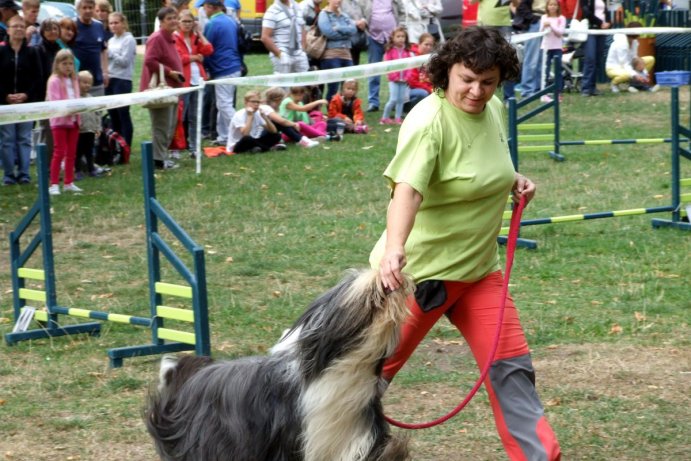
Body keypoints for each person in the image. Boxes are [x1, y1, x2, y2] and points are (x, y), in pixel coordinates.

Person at [369, 27, 561, 461]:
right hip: (419, 276)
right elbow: (408, 189)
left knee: (512, 371)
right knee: (363, 380)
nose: (477, 91)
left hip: (478, 275)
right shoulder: (428, 121)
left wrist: (512, 180)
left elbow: (479, 164)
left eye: (488, 81)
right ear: (446, 73)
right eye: (467, 79)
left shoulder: (491, 108)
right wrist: (395, 248)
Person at [0, 15, 43, 186]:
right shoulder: (1, 52)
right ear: (8, 30)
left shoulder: (33, 52)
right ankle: (9, 174)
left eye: (21, 26)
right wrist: (5, 96)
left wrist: (26, 95)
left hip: (27, 103)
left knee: (25, 138)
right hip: (5, 103)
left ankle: (24, 173)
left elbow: (38, 78)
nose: (18, 29)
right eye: (15, 26)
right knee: (7, 138)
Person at [140, 6, 184, 170]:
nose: (174, 21)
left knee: (170, 125)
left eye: (175, 17)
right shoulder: (157, 38)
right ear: (161, 22)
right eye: (169, 18)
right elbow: (149, 61)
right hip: (160, 90)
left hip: (171, 88)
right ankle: (158, 160)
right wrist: (169, 72)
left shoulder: (170, 37)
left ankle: (162, 156)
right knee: (161, 125)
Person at [203, 0, 243, 147]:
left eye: (205, 7)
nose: (203, 10)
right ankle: (224, 136)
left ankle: (245, 132)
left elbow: (206, 47)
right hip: (234, 66)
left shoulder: (212, 24)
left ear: (212, 8)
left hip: (222, 68)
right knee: (222, 103)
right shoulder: (230, 20)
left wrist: (205, 68)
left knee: (224, 104)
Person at [175, 9, 213, 155]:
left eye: (190, 21)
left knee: (195, 116)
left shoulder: (194, 37)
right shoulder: (175, 37)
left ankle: (194, 147)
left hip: (198, 80)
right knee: (180, 116)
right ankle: (176, 148)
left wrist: (200, 33)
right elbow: (179, 58)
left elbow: (209, 49)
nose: (187, 24)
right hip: (183, 82)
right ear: (178, 22)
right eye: (184, 21)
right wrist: (196, 57)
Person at [46, 49, 82, 195]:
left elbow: (77, 97)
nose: (68, 67)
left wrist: (77, 110)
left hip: (74, 121)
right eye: (64, 63)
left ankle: (69, 182)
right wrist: (68, 109)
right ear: (57, 64)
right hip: (59, 122)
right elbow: (55, 102)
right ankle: (54, 184)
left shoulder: (74, 80)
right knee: (59, 151)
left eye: (70, 64)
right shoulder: (54, 81)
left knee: (72, 152)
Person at [473, 0, 516, 102]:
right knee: (483, 62)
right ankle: (482, 97)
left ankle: (509, 97)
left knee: (509, 60)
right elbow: (471, 2)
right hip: (485, 24)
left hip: (504, 23)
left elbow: (516, 3)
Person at [106, 11, 136, 148]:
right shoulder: (111, 40)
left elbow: (125, 61)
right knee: (113, 114)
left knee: (123, 113)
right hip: (110, 79)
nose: (113, 26)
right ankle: (116, 144)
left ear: (123, 23)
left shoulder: (129, 39)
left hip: (122, 80)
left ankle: (127, 145)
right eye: (111, 23)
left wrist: (110, 53)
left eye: (116, 22)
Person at [317, 0, 357, 102]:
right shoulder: (323, 14)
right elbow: (329, 33)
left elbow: (353, 30)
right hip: (331, 55)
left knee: (349, 85)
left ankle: (344, 112)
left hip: (346, 55)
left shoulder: (344, 15)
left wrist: (339, 28)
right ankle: (331, 112)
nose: (338, 1)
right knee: (333, 87)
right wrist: (346, 34)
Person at [366, 0, 400, 113]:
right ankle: (373, 102)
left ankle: (396, 101)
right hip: (374, 38)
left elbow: (402, 11)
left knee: (397, 70)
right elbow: (361, 13)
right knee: (374, 71)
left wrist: (400, 29)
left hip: (393, 38)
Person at [261, 0, 310, 75]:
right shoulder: (272, 11)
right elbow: (265, 37)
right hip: (282, 54)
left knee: (304, 84)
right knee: (283, 86)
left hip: (299, 54)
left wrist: (303, 49)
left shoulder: (297, 7)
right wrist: (280, 54)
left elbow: (302, 28)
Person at [605, 23, 656, 94]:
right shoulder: (621, 43)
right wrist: (636, 75)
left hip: (628, 65)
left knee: (650, 59)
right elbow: (625, 64)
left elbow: (635, 58)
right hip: (613, 68)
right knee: (626, 75)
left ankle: (637, 84)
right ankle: (614, 84)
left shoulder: (635, 42)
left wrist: (644, 72)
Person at [72, 0, 109, 96]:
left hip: (97, 81)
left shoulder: (99, 25)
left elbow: (103, 50)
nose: (88, 10)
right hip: (77, 82)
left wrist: (105, 72)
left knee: (98, 110)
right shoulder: (72, 25)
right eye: (84, 8)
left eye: (90, 7)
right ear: (78, 9)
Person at [380, 26, 415, 126]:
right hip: (393, 81)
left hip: (404, 81)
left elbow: (410, 66)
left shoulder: (407, 52)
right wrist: (394, 77)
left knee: (400, 100)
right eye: (398, 36)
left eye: (403, 36)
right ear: (393, 38)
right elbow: (388, 66)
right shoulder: (390, 51)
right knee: (393, 99)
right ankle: (384, 118)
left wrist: (406, 78)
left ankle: (398, 118)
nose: (401, 38)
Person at [75, 70, 106, 180]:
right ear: (77, 83)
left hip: (90, 130)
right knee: (77, 152)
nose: (87, 85)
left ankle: (91, 169)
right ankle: (77, 170)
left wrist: (98, 128)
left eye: (89, 83)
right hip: (79, 131)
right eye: (84, 82)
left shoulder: (92, 99)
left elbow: (98, 115)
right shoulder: (75, 100)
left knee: (90, 151)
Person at [515, 0, 546, 98]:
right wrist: (533, 19)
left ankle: (538, 88)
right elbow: (521, 6)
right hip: (535, 23)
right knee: (531, 59)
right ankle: (527, 90)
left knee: (542, 58)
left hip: (546, 21)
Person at [580, 0, 610, 97]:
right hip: (590, 30)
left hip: (601, 31)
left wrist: (608, 23)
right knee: (590, 58)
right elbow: (586, 11)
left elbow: (606, 12)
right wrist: (600, 22)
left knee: (597, 59)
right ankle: (585, 88)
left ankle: (592, 87)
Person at [539, 0, 566, 101]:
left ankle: (558, 92)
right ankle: (544, 93)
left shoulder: (561, 18)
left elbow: (560, 32)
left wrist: (551, 25)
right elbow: (540, 32)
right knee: (545, 70)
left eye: (555, 5)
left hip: (557, 48)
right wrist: (544, 25)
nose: (553, 7)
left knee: (558, 70)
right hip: (545, 48)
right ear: (547, 6)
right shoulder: (543, 17)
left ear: (558, 7)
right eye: (550, 5)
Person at [406, 32, 435, 110]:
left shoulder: (429, 58)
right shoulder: (412, 56)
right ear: (419, 44)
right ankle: (407, 108)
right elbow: (412, 81)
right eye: (426, 44)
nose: (428, 47)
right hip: (408, 90)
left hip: (423, 87)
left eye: (431, 45)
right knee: (423, 93)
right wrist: (428, 89)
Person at [340, 0, 368, 65]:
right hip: (345, 39)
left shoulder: (360, 2)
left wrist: (363, 21)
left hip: (358, 38)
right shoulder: (340, 2)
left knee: (355, 61)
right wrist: (355, 23)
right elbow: (340, 18)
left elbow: (366, 14)